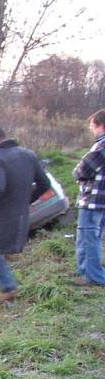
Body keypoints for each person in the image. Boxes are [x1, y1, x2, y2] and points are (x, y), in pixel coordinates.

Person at [0, 124, 50, 315]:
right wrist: (26, 201)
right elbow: (44, 184)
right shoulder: (28, 154)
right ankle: (9, 288)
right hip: (20, 218)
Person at [73, 109, 105, 287]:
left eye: (93, 126)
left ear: (102, 126)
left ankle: (94, 277)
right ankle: (86, 272)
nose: (92, 129)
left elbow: (82, 169)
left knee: (89, 237)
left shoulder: (101, 146)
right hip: (100, 200)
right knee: (91, 237)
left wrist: (78, 174)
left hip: (94, 200)